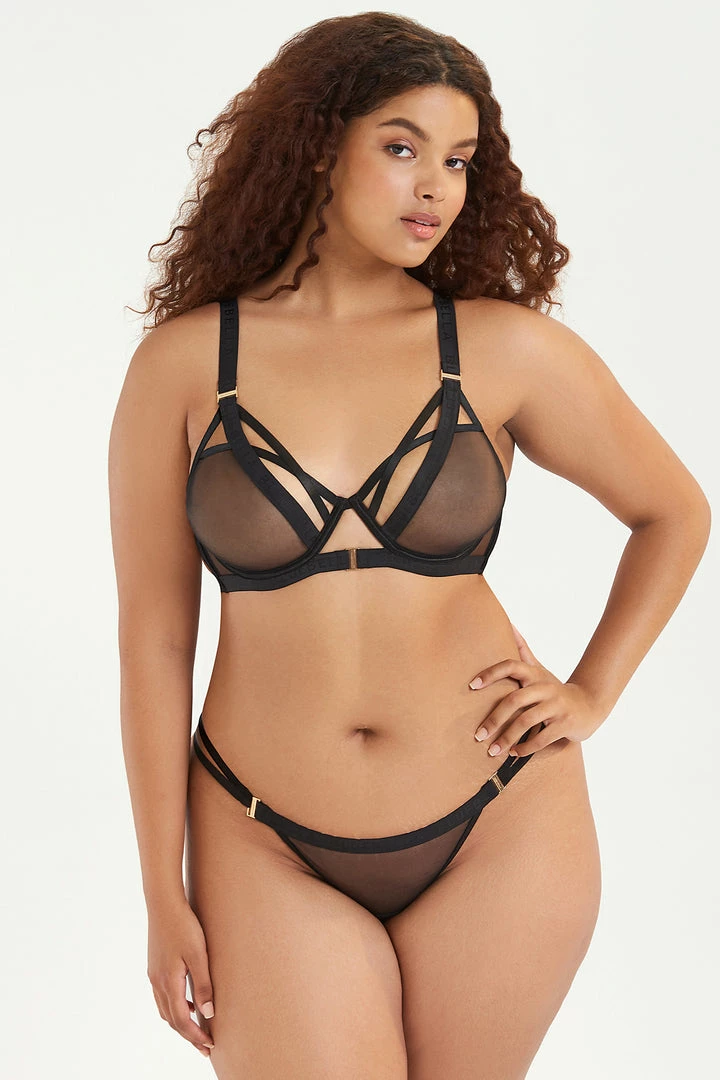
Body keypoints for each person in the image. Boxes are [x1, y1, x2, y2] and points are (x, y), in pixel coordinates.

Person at [108, 11, 711, 1078]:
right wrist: (163, 889)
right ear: (316, 146)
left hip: (499, 820)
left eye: (459, 160)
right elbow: (155, 641)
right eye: (401, 147)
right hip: (261, 833)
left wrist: (590, 692)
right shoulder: (187, 365)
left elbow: (675, 511)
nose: (435, 186)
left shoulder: (502, 348)